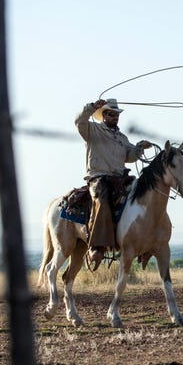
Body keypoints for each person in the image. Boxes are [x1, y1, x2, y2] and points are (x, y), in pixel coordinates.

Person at [75, 98, 152, 270]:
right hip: (98, 177)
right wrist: (91, 107)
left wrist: (140, 146)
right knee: (102, 202)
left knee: (143, 195)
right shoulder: (92, 130)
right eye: (110, 114)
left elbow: (130, 157)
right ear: (103, 115)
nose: (114, 117)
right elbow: (79, 121)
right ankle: (97, 246)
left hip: (120, 178)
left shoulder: (122, 138)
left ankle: (144, 242)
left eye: (116, 114)